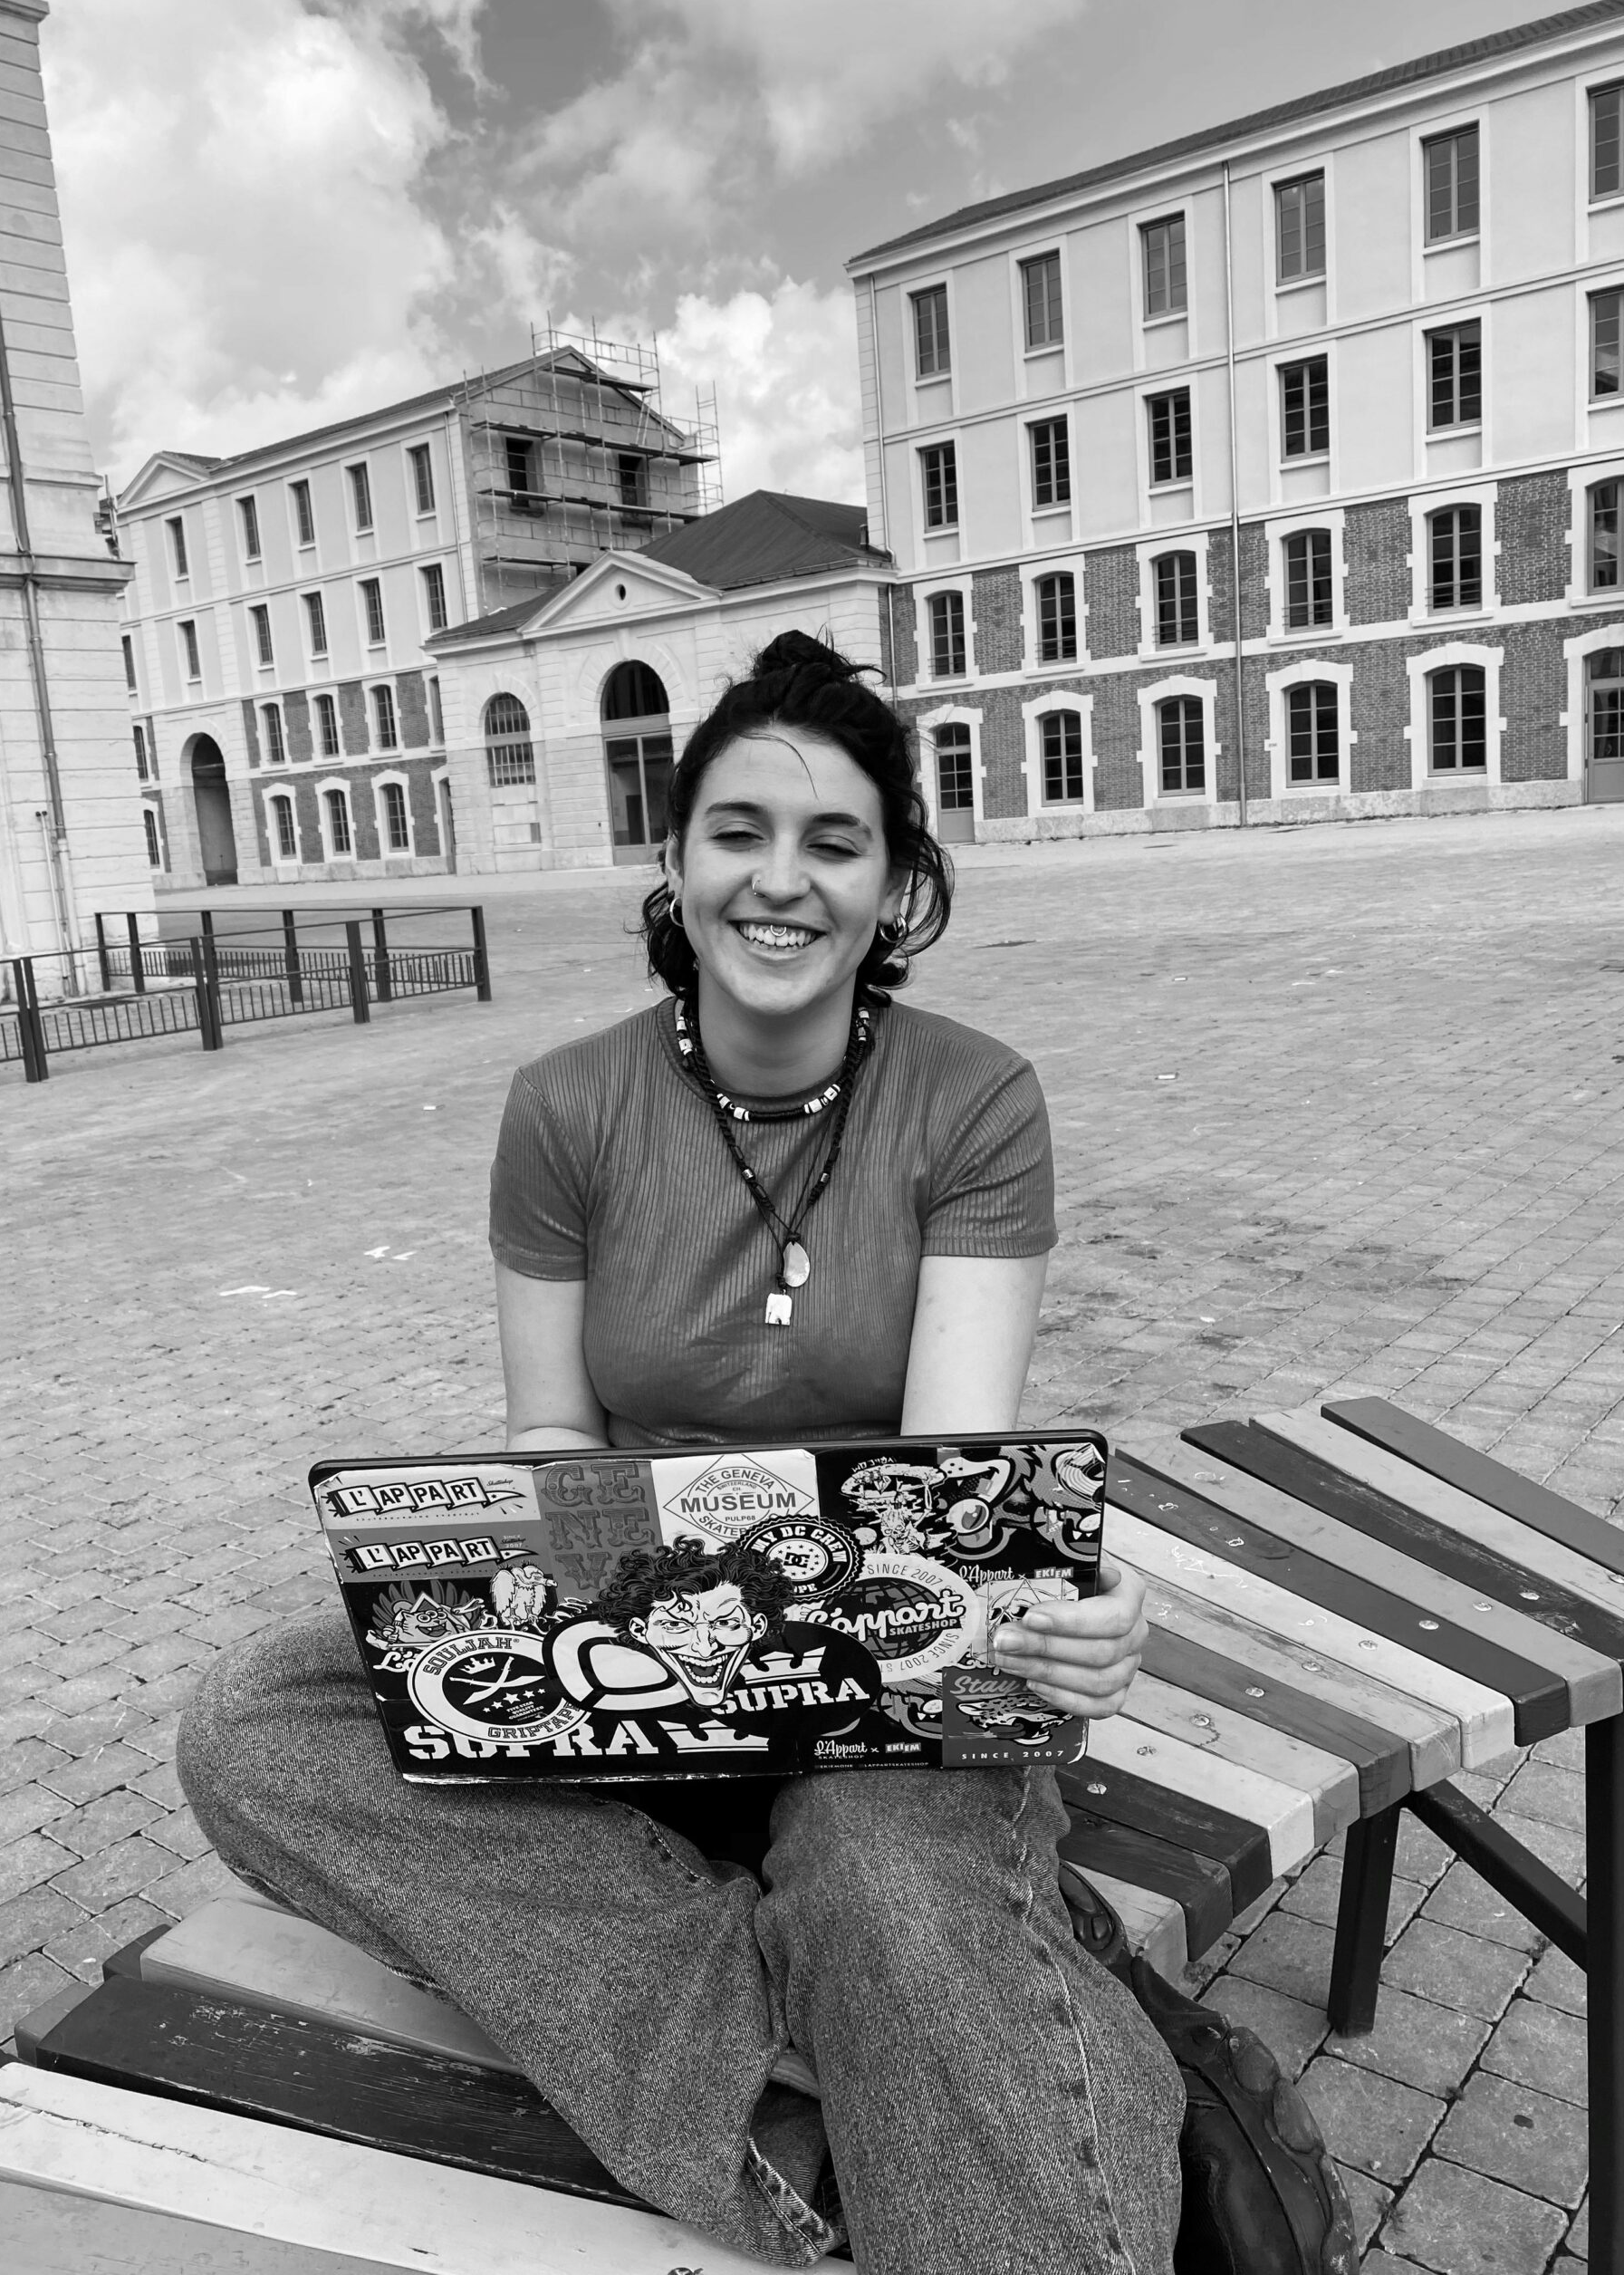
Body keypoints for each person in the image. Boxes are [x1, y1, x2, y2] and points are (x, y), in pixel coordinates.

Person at [178, 632, 1349, 2274]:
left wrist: (1072, 1619)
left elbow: (950, 1479)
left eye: (833, 842)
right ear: (676, 862)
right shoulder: (567, 1106)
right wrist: (525, 1604)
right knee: (257, 1722)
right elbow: (552, 1434)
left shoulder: (974, 1101)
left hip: (889, 1664)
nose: (779, 880)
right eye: (737, 832)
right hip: (639, 1635)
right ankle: (877, 2033)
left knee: (879, 1874)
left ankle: (838, 2066)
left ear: (896, 887)